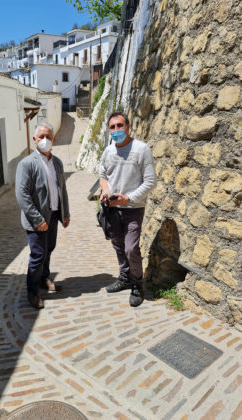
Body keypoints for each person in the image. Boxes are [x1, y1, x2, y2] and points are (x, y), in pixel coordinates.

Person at [99, 111, 156, 307]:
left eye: (119, 125)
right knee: (117, 244)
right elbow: (103, 175)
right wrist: (105, 192)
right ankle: (124, 278)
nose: (116, 130)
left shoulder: (141, 149)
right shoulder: (108, 151)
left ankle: (137, 283)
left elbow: (150, 182)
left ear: (128, 127)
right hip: (112, 209)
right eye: (112, 127)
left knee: (131, 247)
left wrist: (128, 198)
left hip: (133, 208)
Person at [15, 122, 70, 309]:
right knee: (38, 255)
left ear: (53, 140)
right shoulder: (27, 164)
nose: (45, 140)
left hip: (53, 216)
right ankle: (32, 291)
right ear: (34, 140)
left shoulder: (57, 163)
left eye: (48, 137)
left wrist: (66, 214)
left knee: (49, 250)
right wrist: (38, 220)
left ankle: (44, 279)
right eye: (41, 137)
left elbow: (62, 189)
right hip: (36, 220)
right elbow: (22, 195)